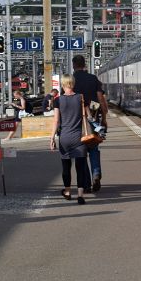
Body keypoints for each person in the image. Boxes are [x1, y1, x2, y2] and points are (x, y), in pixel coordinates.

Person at [49, 74, 90, 204]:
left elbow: (56, 121)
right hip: (80, 137)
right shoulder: (81, 98)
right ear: (73, 83)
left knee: (66, 167)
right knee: (80, 167)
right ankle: (80, 195)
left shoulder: (58, 100)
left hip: (64, 138)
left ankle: (67, 192)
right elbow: (88, 116)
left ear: (62, 84)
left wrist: (51, 138)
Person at [72, 54, 108, 192]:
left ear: (74, 65)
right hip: (94, 114)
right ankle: (96, 173)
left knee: (81, 152)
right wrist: (104, 118)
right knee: (94, 147)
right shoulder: (93, 78)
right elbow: (100, 98)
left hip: (77, 119)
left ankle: (86, 184)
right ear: (84, 64)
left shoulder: (72, 80)